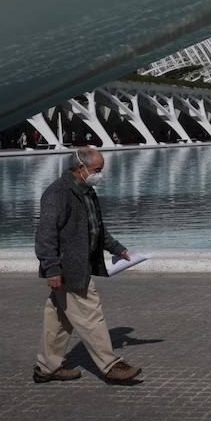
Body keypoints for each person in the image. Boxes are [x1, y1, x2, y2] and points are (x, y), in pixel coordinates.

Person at [33, 147, 142, 385]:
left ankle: (47, 367)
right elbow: (45, 234)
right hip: (69, 268)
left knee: (59, 320)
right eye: (97, 170)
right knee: (91, 315)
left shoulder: (87, 191)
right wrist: (51, 268)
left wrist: (117, 249)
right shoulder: (58, 193)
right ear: (80, 168)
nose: (100, 174)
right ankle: (111, 365)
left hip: (78, 266)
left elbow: (97, 228)